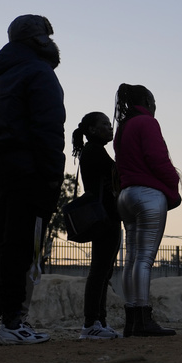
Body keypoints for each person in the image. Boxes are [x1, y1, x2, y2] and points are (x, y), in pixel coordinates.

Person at [0, 15, 64, 346]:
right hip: (32, 174)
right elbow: (49, 130)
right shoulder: (40, 73)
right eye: (48, 35)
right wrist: (53, 177)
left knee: (1, 246)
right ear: (38, 40)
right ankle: (12, 320)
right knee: (22, 247)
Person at [114, 83, 180, 337]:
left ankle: (132, 319)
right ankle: (143, 318)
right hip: (148, 194)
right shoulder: (147, 123)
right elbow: (157, 158)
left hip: (126, 195)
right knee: (144, 260)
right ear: (147, 103)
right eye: (153, 103)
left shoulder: (123, 127)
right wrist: (173, 182)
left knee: (131, 260)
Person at [72, 111, 122, 339]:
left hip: (107, 217)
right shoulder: (93, 151)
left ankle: (99, 322)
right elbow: (118, 173)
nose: (109, 127)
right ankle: (91, 323)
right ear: (92, 130)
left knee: (104, 271)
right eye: (104, 124)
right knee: (99, 272)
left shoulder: (95, 151)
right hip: (104, 218)